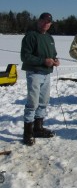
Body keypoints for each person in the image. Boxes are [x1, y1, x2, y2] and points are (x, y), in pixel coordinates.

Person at [20, 12, 60, 146]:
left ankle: (38, 128)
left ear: (50, 24)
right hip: (34, 73)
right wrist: (44, 61)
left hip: (47, 74)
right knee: (32, 103)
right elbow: (25, 57)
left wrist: (55, 60)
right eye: (43, 21)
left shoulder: (49, 38)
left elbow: (53, 54)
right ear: (39, 21)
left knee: (43, 101)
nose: (45, 24)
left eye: (48, 22)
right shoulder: (31, 36)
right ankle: (28, 133)